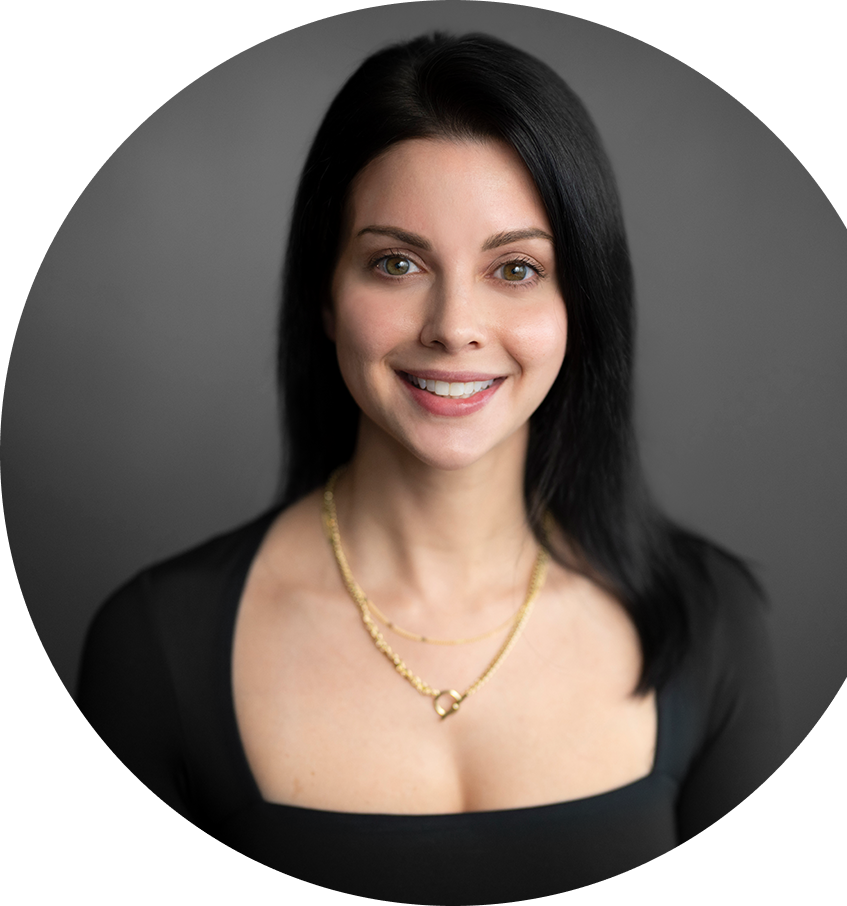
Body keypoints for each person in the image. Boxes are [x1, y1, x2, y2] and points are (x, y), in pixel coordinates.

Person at [73, 32, 785, 904]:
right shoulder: (157, 647)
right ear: (326, 299)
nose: (454, 325)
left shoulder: (707, 622)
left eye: (516, 268)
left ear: (582, 307)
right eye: (397, 262)